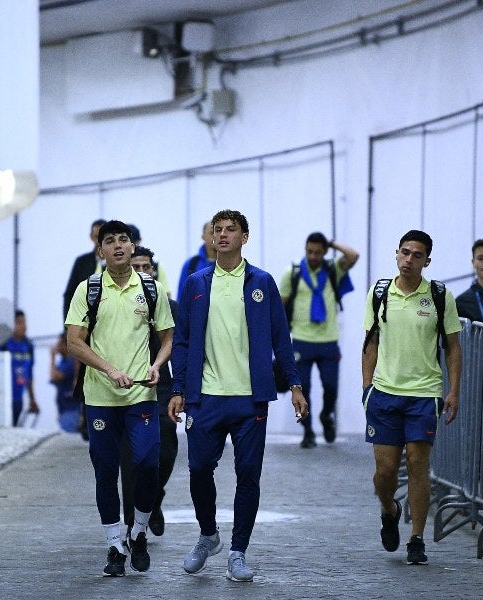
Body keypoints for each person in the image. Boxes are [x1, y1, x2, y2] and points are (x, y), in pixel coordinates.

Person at [168, 209, 308, 582]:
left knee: (248, 474)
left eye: (231, 230)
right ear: (211, 238)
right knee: (199, 469)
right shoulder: (196, 283)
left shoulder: (261, 281)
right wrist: (178, 388)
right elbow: (181, 340)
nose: (224, 235)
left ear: (244, 237)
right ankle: (208, 534)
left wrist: (295, 385)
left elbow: (280, 337)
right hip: (205, 397)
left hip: (250, 399)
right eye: (218, 230)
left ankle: (237, 551)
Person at [65, 220, 175, 577]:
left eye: (123, 240)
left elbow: (168, 337)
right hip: (100, 397)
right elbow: (74, 341)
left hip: (142, 394)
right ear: (100, 251)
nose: (117, 246)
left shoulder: (152, 289)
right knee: (106, 472)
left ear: (132, 246)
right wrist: (110, 370)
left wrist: (158, 364)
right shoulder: (89, 289)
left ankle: (138, 531)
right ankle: (114, 545)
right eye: (109, 241)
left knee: (147, 463)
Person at [361, 229, 462, 565]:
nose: (409, 260)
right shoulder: (379, 293)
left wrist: (454, 390)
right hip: (385, 393)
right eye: (404, 253)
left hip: (424, 393)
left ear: (427, 260)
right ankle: (389, 510)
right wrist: (366, 389)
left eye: (417, 255)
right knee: (385, 472)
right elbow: (370, 343)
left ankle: (416, 539)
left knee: (419, 463)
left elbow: (453, 346)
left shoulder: (438, 295)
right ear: (396, 254)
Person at [119, 246, 179, 539]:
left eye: (147, 267)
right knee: (131, 457)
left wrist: (184, 388)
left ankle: (154, 497)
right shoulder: (116, 304)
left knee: (166, 449)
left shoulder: (171, 306)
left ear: (154, 271)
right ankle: (133, 524)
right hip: (125, 386)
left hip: (163, 386)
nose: (142, 272)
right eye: (136, 267)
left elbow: (183, 348)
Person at [279, 232, 358, 448]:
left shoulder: (333, 269)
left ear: (324, 252)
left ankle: (326, 416)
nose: (313, 256)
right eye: (309, 251)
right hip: (302, 339)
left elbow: (353, 255)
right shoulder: (293, 272)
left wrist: (331, 243)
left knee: (330, 386)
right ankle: (308, 431)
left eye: (317, 252)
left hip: (328, 339)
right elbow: (281, 305)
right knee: (302, 389)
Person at [0, 309, 39, 426]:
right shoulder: (3, 344)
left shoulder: (29, 346)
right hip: (3, 399)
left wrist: (32, 398)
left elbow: (29, 374)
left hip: (18, 399)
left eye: (24, 322)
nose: (23, 326)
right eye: (19, 322)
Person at [63, 219, 107, 322]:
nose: (100, 241)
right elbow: (70, 295)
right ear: (91, 237)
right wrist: (67, 326)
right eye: (97, 237)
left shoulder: (117, 261)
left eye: (103, 237)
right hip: (84, 322)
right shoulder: (82, 262)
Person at [176, 221, 217, 302]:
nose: (215, 236)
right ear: (203, 236)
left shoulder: (229, 264)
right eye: (211, 233)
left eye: (218, 232)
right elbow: (182, 296)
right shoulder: (191, 264)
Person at [49, 333, 80, 433]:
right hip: (64, 409)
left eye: (59, 344)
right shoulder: (63, 361)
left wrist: (52, 358)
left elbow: (55, 376)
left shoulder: (72, 362)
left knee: (70, 440)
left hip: (72, 410)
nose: (57, 346)